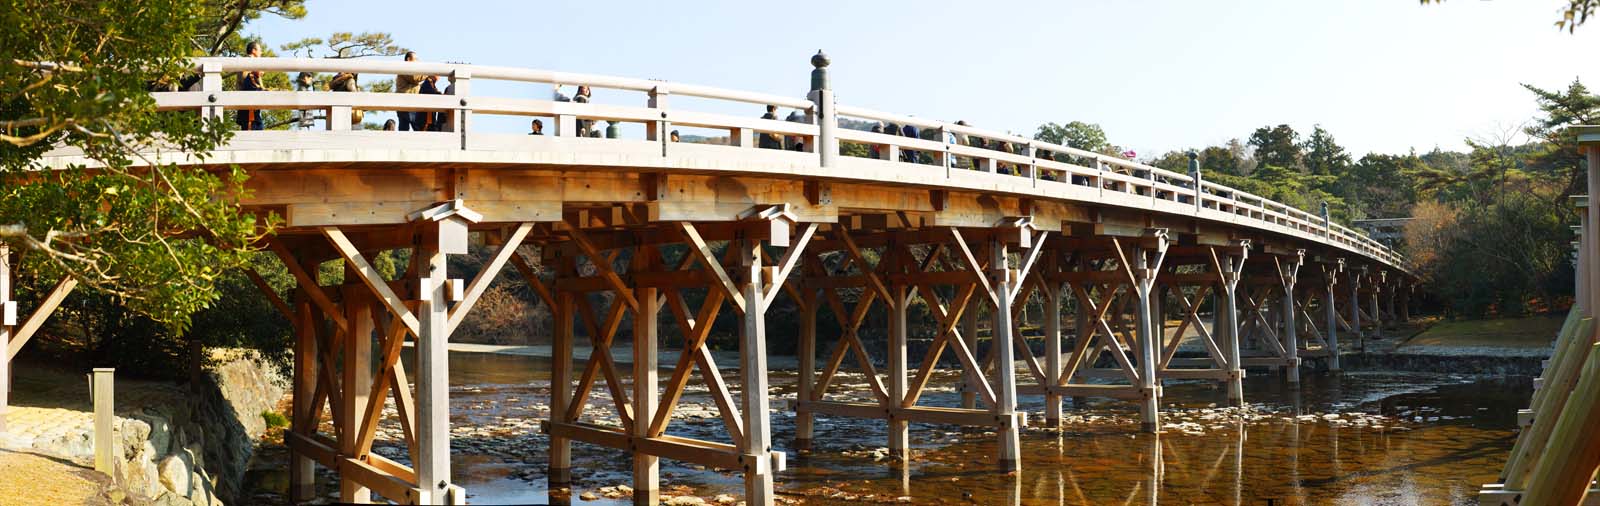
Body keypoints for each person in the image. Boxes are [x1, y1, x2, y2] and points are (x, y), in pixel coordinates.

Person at [394, 51, 428, 131]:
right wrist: (428, 73)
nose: (417, 61)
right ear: (408, 59)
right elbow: (415, 78)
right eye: (415, 59)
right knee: (417, 126)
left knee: (404, 128)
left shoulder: (405, 69)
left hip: (404, 103)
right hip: (407, 102)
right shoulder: (405, 68)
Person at [235, 42, 264, 130]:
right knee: (252, 134)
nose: (261, 53)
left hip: (252, 106)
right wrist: (256, 74)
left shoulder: (250, 63)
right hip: (249, 107)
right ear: (253, 51)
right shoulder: (248, 62)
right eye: (260, 50)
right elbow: (245, 80)